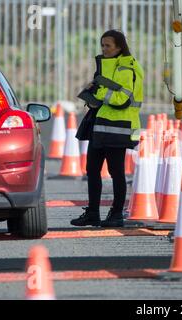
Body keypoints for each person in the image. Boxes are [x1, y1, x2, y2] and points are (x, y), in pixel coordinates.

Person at [71, 30, 144, 228]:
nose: (104, 49)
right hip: (101, 124)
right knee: (92, 169)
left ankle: (117, 214)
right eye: (102, 45)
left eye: (108, 46)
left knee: (116, 171)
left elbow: (122, 99)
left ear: (119, 47)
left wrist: (99, 91)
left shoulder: (126, 68)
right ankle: (93, 213)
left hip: (117, 127)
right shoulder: (108, 65)